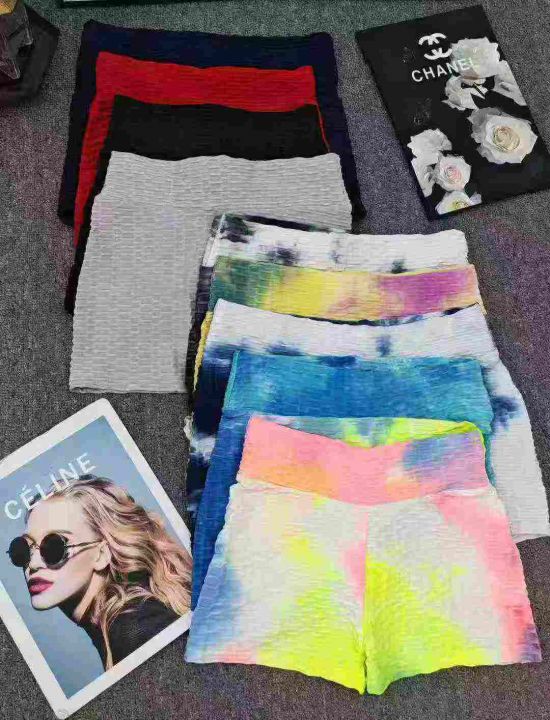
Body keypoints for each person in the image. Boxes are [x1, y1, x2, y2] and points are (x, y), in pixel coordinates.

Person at [7, 475, 192, 669]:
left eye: (54, 546)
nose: (33, 564)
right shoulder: (121, 624)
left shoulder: (136, 631)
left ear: (101, 554)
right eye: (24, 550)